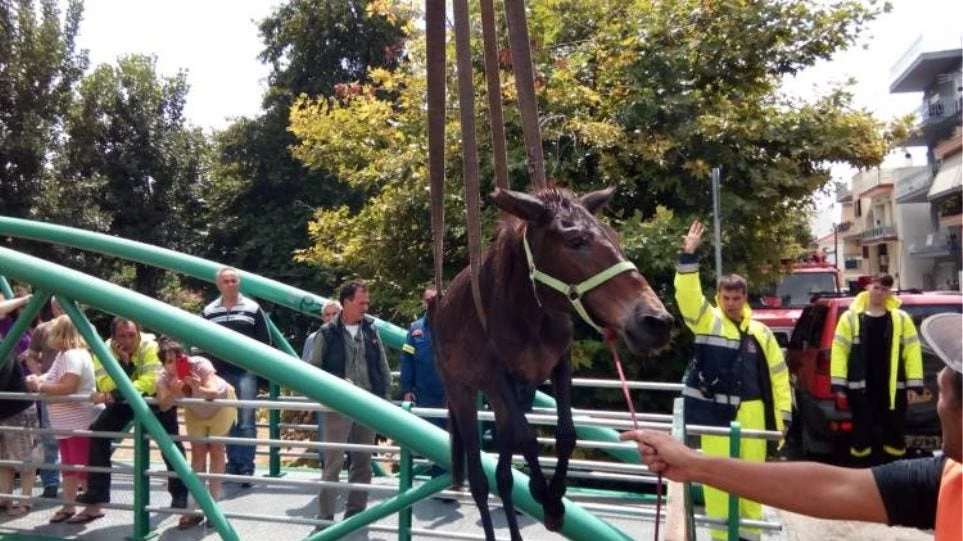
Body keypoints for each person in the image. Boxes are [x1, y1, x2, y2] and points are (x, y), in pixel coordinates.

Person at [621, 312, 962, 541]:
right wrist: (692, 464)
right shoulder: (947, 479)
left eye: (943, 395)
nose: (936, 404)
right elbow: (835, 487)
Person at [674, 220, 792, 541]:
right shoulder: (707, 322)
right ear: (719, 297)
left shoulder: (761, 333)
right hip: (717, 418)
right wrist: (688, 256)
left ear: (745, 298)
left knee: (752, 483)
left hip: (753, 414)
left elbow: (779, 378)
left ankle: (750, 538)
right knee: (717, 485)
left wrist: (783, 416)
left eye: (736, 298)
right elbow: (687, 297)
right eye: (725, 297)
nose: (730, 303)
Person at [75, 318, 188, 520]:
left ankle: (180, 495)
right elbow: (105, 383)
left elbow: (151, 383)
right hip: (126, 399)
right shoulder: (104, 350)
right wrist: (123, 363)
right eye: (122, 336)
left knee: (169, 444)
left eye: (131, 335)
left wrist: (118, 390)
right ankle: (98, 492)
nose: (128, 340)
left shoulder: (150, 346)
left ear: (139, 333)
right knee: (99, 431)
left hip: (155, 400)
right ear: (113, 337)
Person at [309, 281, 391, 524]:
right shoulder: (326, 332)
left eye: (367, 302)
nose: (366, 307)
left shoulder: (371, 329)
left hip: (367, 403)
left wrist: (385, 400)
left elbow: (383, 368)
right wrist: (337, 384)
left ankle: (356, 512)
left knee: (363, 462)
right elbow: (314, 369)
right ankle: (325, 516)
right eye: (361, 302)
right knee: (333, 463)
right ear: (346, 302)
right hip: (338, 405)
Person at [831, 273, 923, 464]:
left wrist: (914, 385)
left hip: (893, 390)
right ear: (868, 288)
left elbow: (912, 352)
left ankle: (894, 477)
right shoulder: (850, 318)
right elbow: (839, 351)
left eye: (885, 289)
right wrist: (839, 385)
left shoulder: (901, 318)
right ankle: (862, 475)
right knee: (861, 437)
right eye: (877, 288)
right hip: (860, 391)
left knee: (895, 436)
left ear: (889, 292)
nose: (880, 292)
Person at [25, 315, 103, 524]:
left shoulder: (73, 356)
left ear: (60, 333)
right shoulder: (64, 355)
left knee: (82, 465)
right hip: (65, 422)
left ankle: (92, 507)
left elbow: (68, 386)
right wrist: (37, 379)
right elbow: (50, 376)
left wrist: (40, 387)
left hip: (77, 420)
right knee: (69, 465)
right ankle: (69, 505)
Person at [200, 267, 272, 486]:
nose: (231, 284)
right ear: (219, 285)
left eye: (234, 280)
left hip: (245, 372)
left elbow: (265, 340)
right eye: (226, 281)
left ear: (238, 283)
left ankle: (246, 466)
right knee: (227, 419)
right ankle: (233, 464)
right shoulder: (209, 310)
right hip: (219, 374)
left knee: (246, 420)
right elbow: (201, 340)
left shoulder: (252, 308)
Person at [156, 338, 237, 529]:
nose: (175, 364)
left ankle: (213, 508)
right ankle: (193, 509)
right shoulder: (163, 377)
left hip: (220, 406)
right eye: (169, 361)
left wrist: (196, 387)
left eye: (178, 358)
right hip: (195, 411)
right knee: (198, 453)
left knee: (217, 450)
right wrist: (173, 392)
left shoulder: (200, 364)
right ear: (163, 364)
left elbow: (213, 391)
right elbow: (163, 405)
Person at [22, 298, 64, 499]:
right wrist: (39, 376)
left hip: (76, 389)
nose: (62, 308)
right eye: (59, 305)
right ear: (54, 308)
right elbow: (30, 355)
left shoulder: (85, 326)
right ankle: (51, 483)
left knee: (77, 436)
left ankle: (80, 479)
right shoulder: (43, 329)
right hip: (50, 388)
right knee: (49, 437)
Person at [0, 295, 38, 517]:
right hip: (4, 410)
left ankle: (25, 500)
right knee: (3, 459)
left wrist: (28, 297)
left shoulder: (4, 345)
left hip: (18, 408)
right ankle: (5, 497)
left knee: (24, 458)